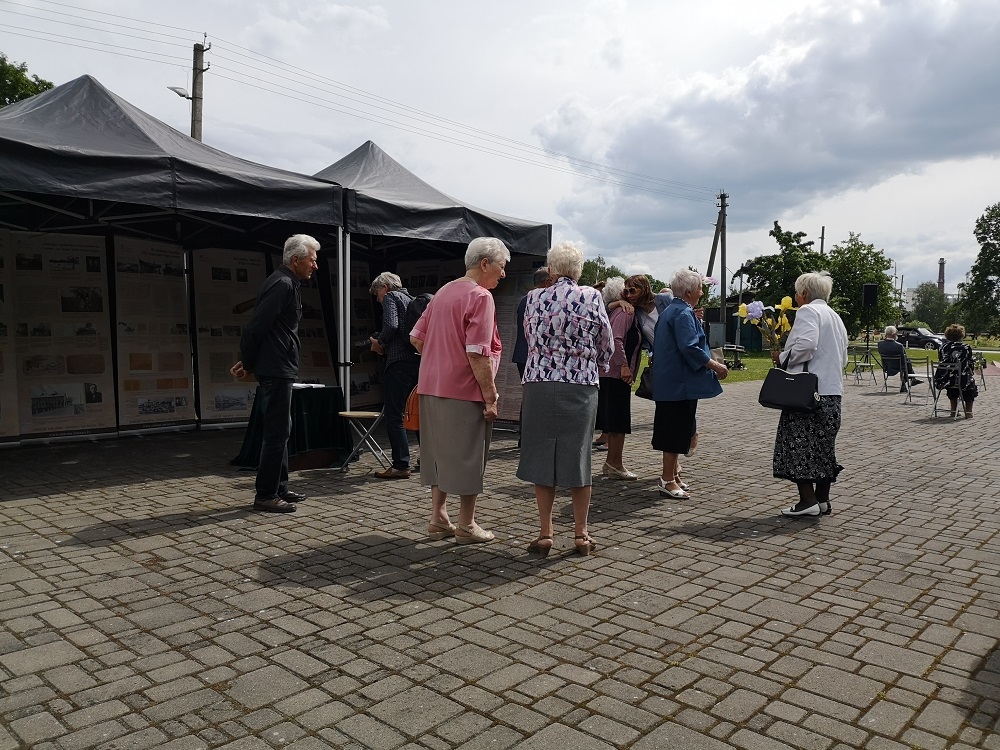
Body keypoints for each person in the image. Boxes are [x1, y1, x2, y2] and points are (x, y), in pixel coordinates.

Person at [517, 242, 614, 556]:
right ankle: (581, 534)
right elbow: (606, 343)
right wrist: (594, 364)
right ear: (578, 270)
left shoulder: (532, 298)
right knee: (579, 455)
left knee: (542, 454)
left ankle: (545, 532)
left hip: (539, 382)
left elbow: (530, 338)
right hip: (580, 384)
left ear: (552, 269)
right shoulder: (592, 297)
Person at [409, 237, 508, 544]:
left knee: (439, 455)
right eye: (502, 267)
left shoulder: (443, 292)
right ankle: (467, 524)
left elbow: (417, 338)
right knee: (469, 456)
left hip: (431, 386)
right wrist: (490, 397)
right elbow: (478, 353)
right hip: (464, 390)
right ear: (485, 264)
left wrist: (442, 359)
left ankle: (439, 516)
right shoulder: (480, 297)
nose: (503, 275)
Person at [231, 234, 319, 513]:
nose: (315, 266)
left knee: (283, 429)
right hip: (276, 367)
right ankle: (266, 494)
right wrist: (246, 361)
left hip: (280, 365)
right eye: (312, 260)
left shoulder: (286, 282)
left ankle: (279, 486)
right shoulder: (282, 283)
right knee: (276, 431)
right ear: (296, 260)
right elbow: (256, 327)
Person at [771, 271, 849, 517]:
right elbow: (843, 356)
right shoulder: (835, 317)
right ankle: (822, 500)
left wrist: (783, 358)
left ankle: (807, 501)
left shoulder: (807, 312)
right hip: (832, 391)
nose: (795, 297)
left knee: (798, 445)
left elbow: (806, 345)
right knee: (823, 447)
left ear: (804, 293)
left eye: (796, 292)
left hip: (807, 391)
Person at [651, 268, 728, 499]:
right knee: (674, 431)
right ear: (688, 291)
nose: (702, 292)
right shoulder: (683, 313)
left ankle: (673, 475)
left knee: (678, 428)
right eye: (699, 288)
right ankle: (667, 479)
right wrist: (716, 366)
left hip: (672, 381)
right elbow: (690, 347)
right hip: (678, 383)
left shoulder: (672, 311)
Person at [368, 272, 420, 479]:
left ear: (384, 288)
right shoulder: (412, 300)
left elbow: (391, 325)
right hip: (417, 361)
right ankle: (427, 459)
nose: (379, 300)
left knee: (394, 415)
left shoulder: (392, 297)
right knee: (417, 413)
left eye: (377, 296)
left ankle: (400, 465)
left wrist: (379, 343)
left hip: (398, 362)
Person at [594, 277, 641, 480]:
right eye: (627, 291)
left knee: (612, 421)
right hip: (615, 373)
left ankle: (611, 463)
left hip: (607, 372)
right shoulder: (624, 312)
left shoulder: (611, 310)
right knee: (619, 421)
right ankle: (616, 463)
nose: (630, 295)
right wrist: (624, 366)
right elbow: (617, 339)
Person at [512, 267, 552, 447]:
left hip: (522, 354)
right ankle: (530, 436)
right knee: (536, 398)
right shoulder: (540, 300)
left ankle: (524, 435)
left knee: (528, 397)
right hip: (533, 355)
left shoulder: (524, 300)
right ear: (546, 282)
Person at [935, 323, 978, 418]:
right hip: (960, 379)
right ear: (961, 335)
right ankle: (968, 412)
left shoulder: (942, 347)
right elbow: (969, 363)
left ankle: (953, 410)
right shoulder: (966, 348)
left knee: (952, 380)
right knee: (970, 384)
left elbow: (941, 360)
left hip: (944, 379)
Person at [877, 326, 923, 392]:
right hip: (898, 366)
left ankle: (911, 380)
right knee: (907, 362)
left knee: (906, 362)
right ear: (894, 334)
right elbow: (903, 358)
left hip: (887, 366)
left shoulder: (880, 344)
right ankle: (908, 381)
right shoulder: (899, 346)